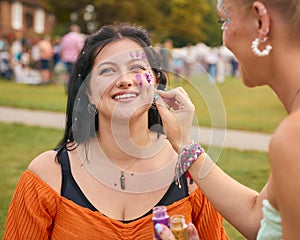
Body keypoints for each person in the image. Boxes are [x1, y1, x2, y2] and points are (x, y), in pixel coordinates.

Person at [4, 23, 229, 240]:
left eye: (137, 68)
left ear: (156, 83)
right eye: (108, 70)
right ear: (88, 92)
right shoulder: (48, 176)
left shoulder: (193, 177)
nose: (125, 81)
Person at [154, 0, 300, 239]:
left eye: (225, 20)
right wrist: (184, 144)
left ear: (261, 21)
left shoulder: (293, 137)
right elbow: (258, 217)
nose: (224, 39)